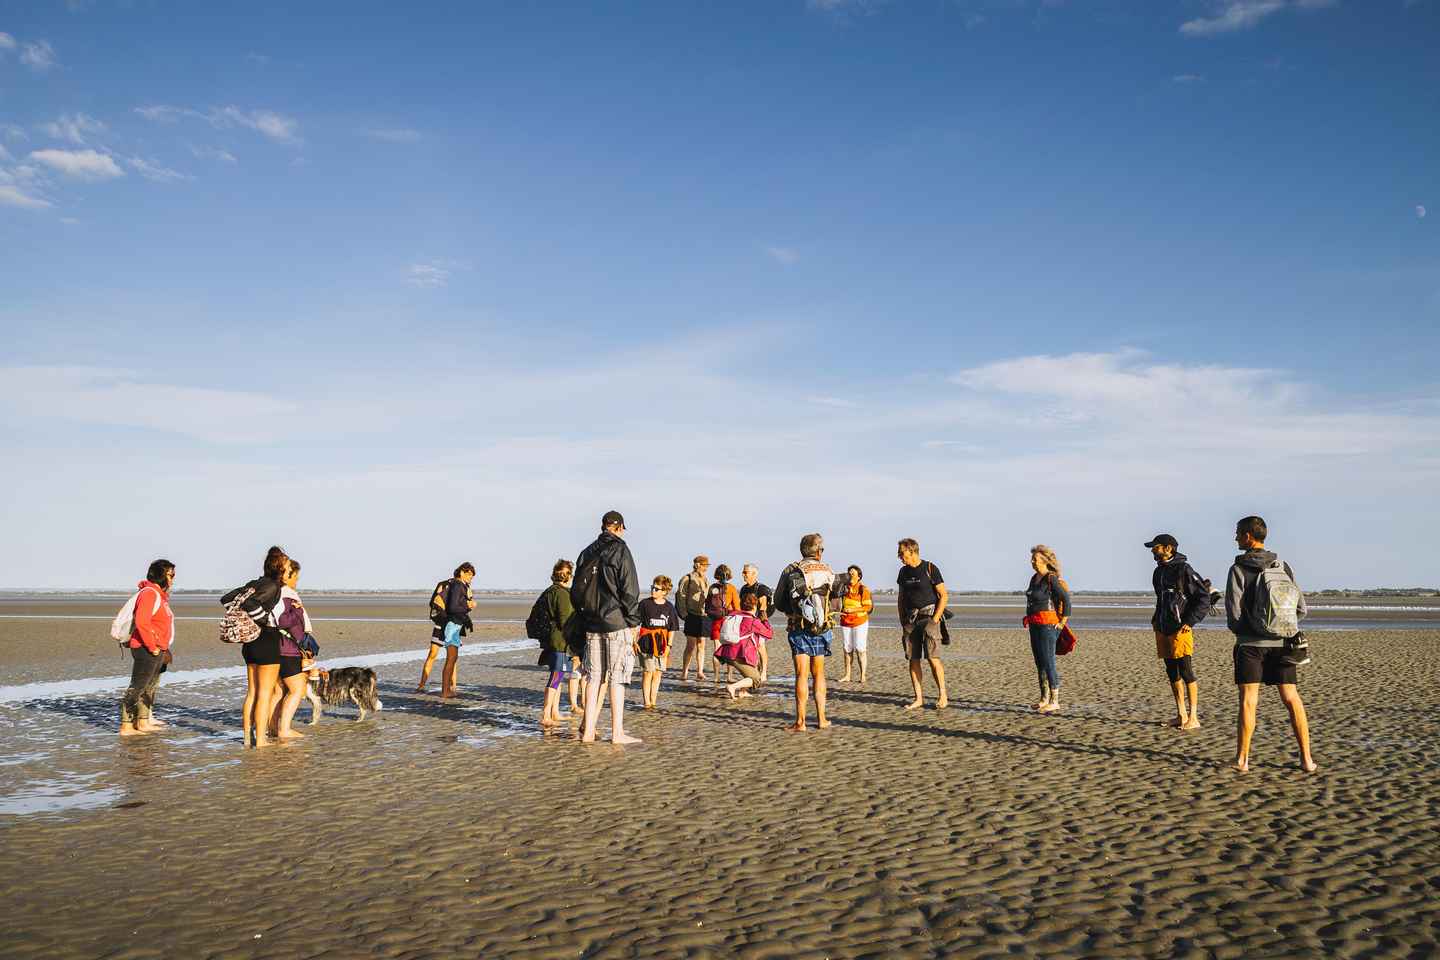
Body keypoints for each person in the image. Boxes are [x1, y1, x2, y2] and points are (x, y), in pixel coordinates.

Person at [1227, 515, 1317, 774]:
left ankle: (1242, 760)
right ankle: (1307, 759)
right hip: (1283, 643)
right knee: (1291, 698)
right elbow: (1301, 609)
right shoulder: (1282, 566)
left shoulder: (1238, 569)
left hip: (1250, 644)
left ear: (1247, 536)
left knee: (1248, 701)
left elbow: (1234, 614)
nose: (1235, 538)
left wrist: (1247, 631)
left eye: (1237, 533)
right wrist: (1281, 628)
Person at [574, 510, 642, 745]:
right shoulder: (621, 549)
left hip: (592, 622)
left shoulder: (587, 551)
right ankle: (617, 732)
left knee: (593, 678)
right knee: (617, 677)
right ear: (620, 527)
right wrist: (633, 622)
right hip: (615, 622)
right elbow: (630, 588)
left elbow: (576, 591)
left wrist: (584, 614)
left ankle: (589, 731)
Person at [1146, 533, 1213, 731]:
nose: (1152, 550)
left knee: (1186, 671)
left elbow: (1203, 598)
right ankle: (1181, 715)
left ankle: (1193, 717)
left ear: (1168, 548)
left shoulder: (1184, 568)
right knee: (1171, 671)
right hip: (1162, 626)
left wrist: (1190, 621)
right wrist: (1156, 618)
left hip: (1180, 627)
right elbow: (1161, 599)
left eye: (1155, 547)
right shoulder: (1157, 573)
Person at [224, 545, 287, 748]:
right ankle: (260, 740)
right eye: (286, 566)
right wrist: (264, 620)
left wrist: (248, 620)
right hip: (266, 640)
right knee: (264, 693)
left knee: (252, 692)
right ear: (280, 568)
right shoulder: (273, 586)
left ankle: (246, 739)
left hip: (249, 643)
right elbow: (250, 604)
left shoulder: (254, 583)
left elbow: (227, 599)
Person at [773, 532, 836, 732]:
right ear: (818, 551)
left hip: (798, 626)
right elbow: (834, 601)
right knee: (819, 674)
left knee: (801, 674)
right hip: (822, 627)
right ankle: (822, 719)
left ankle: (800, 722)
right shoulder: (827, 570)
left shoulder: (791, 569)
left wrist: (792, 611)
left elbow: (779, 600)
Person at [118, 559, 176, 738]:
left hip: (156, 647)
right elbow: (142, 622)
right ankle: (126, 726)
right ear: (161, 575)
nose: (173, 579)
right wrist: (153, 647)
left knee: (148, 687)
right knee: (138, 686)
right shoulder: (150, 593)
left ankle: (142, 722)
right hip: (145, 648)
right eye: (170, 575)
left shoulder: (159, 594)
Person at [896, 540, 949, 710]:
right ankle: (918, 698)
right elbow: (901, 597)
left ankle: (942, 695)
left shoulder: (930, 568)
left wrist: (935, 619)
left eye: (901, 553)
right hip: (910, 620)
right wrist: (902, 618)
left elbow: (943, 595)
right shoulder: (903, 572)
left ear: (912, 552)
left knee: (933, 658)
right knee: (913, 659)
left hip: (929, 617)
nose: (899, 557)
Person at [416, 562, 476, 699]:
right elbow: (453, 607)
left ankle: (450, 688)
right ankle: (444, 690)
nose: (471, 578)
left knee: (452, 658)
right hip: (448, 624)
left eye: (472, 576)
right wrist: (468, 606)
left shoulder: (459, 586)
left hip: (452, 624)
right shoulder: (457, 585)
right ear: (462, 572)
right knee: (447, 657)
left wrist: (467, 613)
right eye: (469, 574)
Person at [1023, 545, 1070, 714]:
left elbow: (1066, 599)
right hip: (1034, 625)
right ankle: (1043, 699)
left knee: (1049, 662)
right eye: (1032, 559)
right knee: (1039, 662)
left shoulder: (1051, 578)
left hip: (1048, 625)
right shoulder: (1034, 578)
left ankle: (1055, 700)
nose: (1032, 562)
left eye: (1035, 559)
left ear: (1044, 561)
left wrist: (1063, 622)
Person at [272, 558, 314, 741]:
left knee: (278, 691)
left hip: (275, 646)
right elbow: (288, 622)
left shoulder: (274, 592)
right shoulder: (288, 594)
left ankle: (272, 727)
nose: (296, 580)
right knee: (297, 689)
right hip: (288, 649)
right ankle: (284, 729)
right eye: (295, 576)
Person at [538, 559, 576, 728]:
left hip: (552, 638)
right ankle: (546, 714)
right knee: (556, 677)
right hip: (560, 640)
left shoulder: (550, 590)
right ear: (568, 576)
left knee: (558, 676)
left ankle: (555, 712)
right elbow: (565, 620)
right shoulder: (562, 593)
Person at [636, 575, 680, 710]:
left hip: (662, 644)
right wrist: (634, 640)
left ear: (664, 591)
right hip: (646, 643)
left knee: (657, 673)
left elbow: (672, 628)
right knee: (648, 672)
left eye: (657, 588)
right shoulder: (644, 604)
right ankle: (646, 701)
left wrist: (669, 646)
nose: (653, 590)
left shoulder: (669, 607)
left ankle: (653, 700)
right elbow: (636, 623)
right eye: (652, 587)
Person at [717, 593, 772, 699]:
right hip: (738, 653)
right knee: (756, 679)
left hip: (726, 650)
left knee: (752, 669)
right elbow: (769, 633)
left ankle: (743, 692)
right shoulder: (752, 621)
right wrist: (765, 619)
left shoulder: (734, 615)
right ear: (755, 606)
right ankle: (733, 687)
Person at [837, 564, 873, 684]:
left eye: (853, 573)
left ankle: (863, 676)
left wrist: (853, 610)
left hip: (860, 622)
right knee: (847, 649)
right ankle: (847, 675)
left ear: (859, 576)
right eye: (849, 573)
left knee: (860, 648)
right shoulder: (843, 588)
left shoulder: (863, 589)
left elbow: (868, 607)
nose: (850, 575)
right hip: (845, 622)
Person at [676, 555, 710, 681]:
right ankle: (684, 672)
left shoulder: (705, 579)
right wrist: (683, 614)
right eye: (704, 565)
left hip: (704, 616)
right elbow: (681, 596)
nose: (706, 568)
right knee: (690, 645)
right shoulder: (687, 578)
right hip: (691, 615)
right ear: (697, 564)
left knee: (702, 644)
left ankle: (699, 671)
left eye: (707, 565)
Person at [705, 564, 741, 682]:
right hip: (727, 621)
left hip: (716, 621)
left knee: (717, 649)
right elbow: (737, 608)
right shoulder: (731, 588)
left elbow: (707, 605)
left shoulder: (712, 587)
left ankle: (716, 677)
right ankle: (729, 676)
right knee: (729, 649)